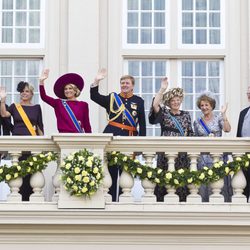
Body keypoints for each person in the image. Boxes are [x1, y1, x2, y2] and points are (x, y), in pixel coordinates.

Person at [90, 68, 146, 201]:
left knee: (126, 171)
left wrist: (140, 144)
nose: (124, 85)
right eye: (122, 83)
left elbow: (142, 124)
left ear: (132, 85)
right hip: (112, 136)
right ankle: (110, 200)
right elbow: (95, 97)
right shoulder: (112, 98)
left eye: (127, 83)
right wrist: (96, 81)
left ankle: (123, 200)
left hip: (129, 137)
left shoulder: (139, 101)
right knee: (111, 170)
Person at [149, 77, 193, 202]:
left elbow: (190, 133)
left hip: (182, 152)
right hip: (166, 150)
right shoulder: (164, 113)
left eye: (178, 100)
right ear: (169, 102)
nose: (175, 102)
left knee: (181, 177)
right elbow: (155, 104)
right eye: (173, 100)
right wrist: (162, 89)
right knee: (165, 176)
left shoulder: (186, 114)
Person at [0, 82, 44, 201]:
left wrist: (42, 144)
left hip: (32, 143)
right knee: (19, 171)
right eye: (22, 91)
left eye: (27, 91)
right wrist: (2, 100)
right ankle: (20, 198)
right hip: (18, 143)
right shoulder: (15, 106)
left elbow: (39, 126)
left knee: (32, 172)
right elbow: (4, 114)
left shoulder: (36, 107)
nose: (24, 93)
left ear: (31, 94)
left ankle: (30, 199)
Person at [193, 91, 231, 202]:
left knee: (218, 184)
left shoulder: (218, 119)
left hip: (217, 157)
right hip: (203, 159)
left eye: (206, 105)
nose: (204, 107)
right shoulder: (197, 122)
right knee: (204, 185)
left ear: (212, 106)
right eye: (202, 105)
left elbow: (227, 129)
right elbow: (195, 140)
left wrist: (224, 115)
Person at [39, 69, 91, 133]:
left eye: (70, 88)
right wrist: (41, 81)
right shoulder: (58, 103)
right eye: (65, 89)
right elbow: (44, 97)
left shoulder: (83, 105)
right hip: (63, 137)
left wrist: (89, 139)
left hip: (78, 136)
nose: (67, 91)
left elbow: (86, 124)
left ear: (75, 91)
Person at [236, 86, 250, 201]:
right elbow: (238, 135)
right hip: (245, 155)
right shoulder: (243, 113)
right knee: (244, 184)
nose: (249, 95)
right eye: (248, 93)